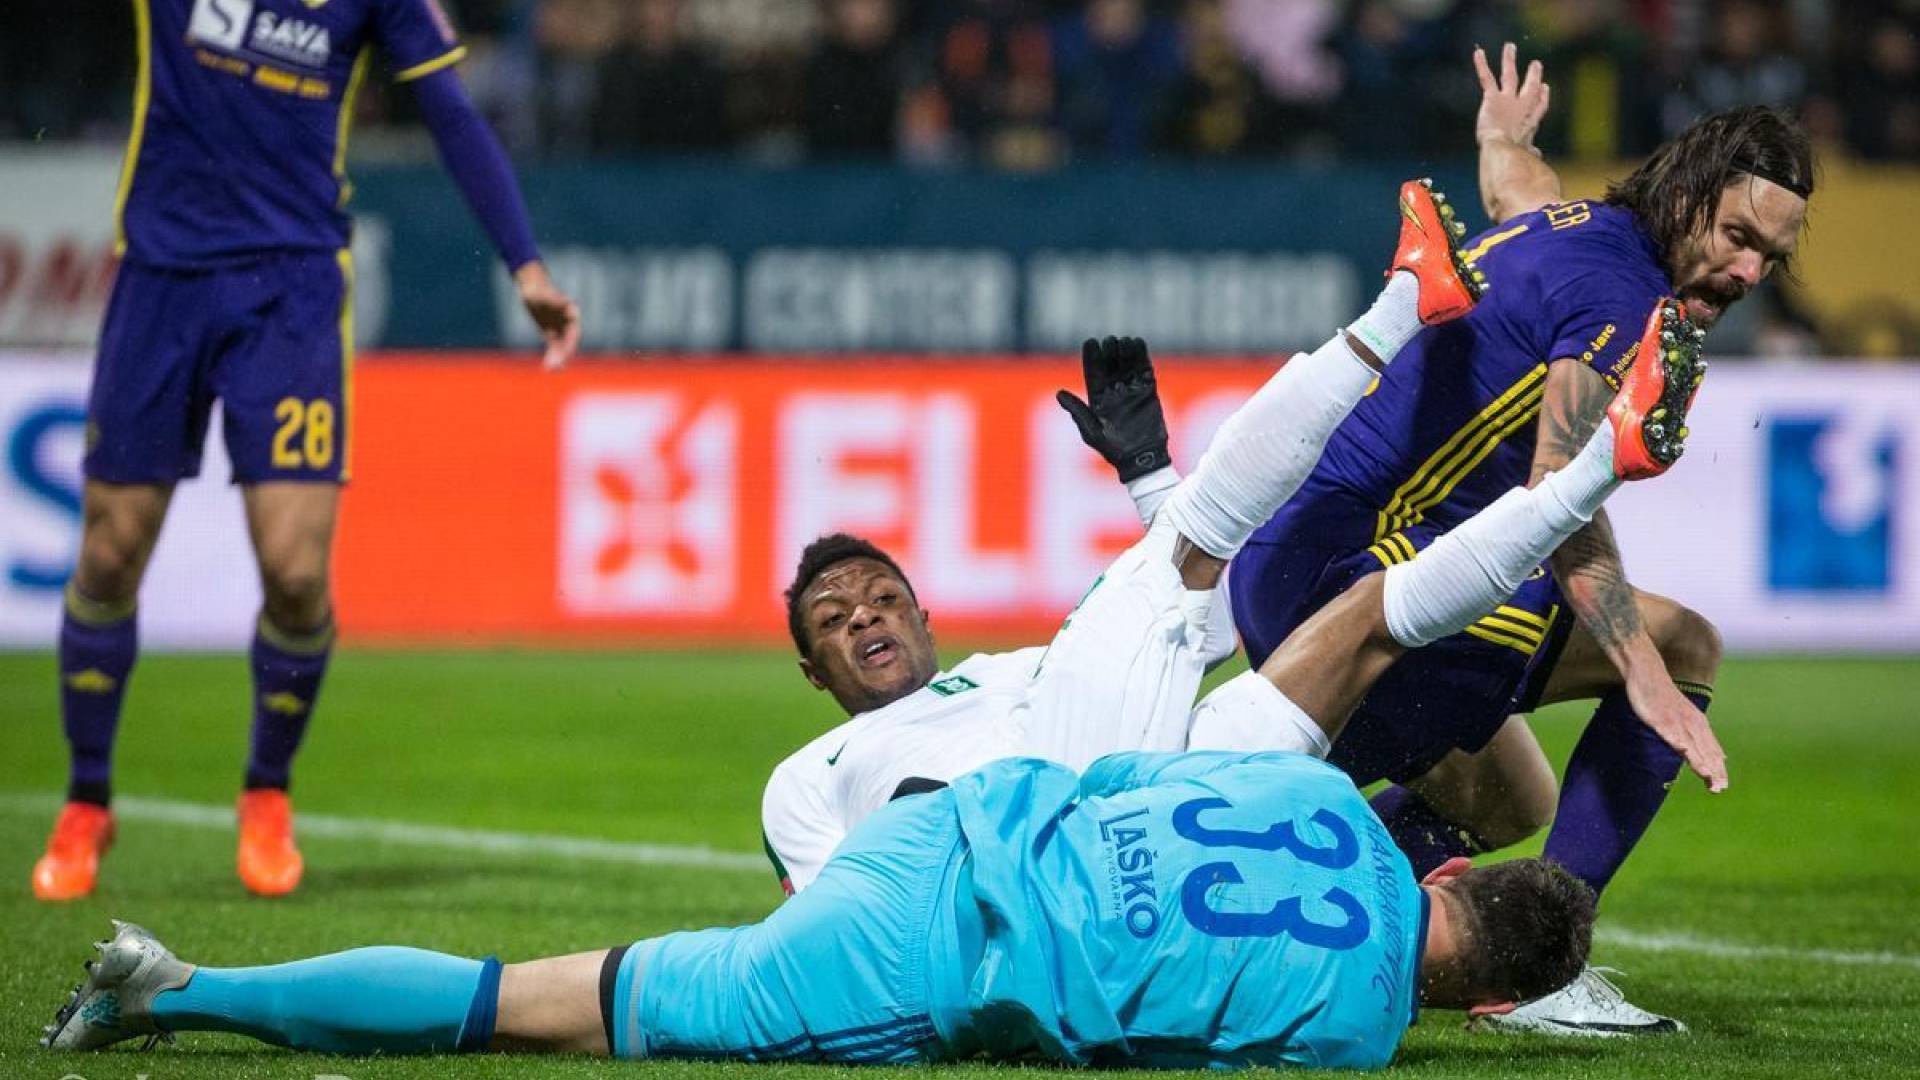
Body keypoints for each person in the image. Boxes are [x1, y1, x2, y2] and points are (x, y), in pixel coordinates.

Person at [761, 180, 1709, 898]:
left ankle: (1484, 370)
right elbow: (829, 935)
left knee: (1427, 691)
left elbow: (1191, 632)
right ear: (811, 671)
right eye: (835, 620)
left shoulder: (1008, 675)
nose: (865, 618)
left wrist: (1148, 477)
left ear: (924, 618)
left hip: (1156, 784)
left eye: (882, 598)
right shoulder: (807, 779)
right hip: (1071, 864)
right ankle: (1533, 417)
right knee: (1291, 591)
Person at [1223, 43, 1811, 1034]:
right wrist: (1643, 675)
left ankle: (1290, 932)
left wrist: (1501, 136)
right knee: (1680, 645)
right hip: (1354, 575)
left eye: (1771, 256)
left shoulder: (1565, 225)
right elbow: (1555, 501)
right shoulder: (1623, 304)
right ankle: (1540, 972)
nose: (1749, 271)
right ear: (1685, 197)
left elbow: (1515, 185)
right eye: (1736, 235)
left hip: (1296, 558)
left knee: (1505, 798)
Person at [45, 749, 1596, 1069]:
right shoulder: (1353, 1037)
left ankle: (182, 986)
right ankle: (178, 990)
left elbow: (1117, 769)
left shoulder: (1326, 797)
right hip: (921, 959)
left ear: (1449, 871)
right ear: (1489, 1001)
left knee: (556, 991)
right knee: (539, 1007)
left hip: (938, 824)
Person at [32, 0, 582, 902]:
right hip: (162, 280)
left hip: (290, 291)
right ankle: (87, 800)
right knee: (109, 551)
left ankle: (267, 792)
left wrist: (524, 264)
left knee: (295, 573)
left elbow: (450, 112)